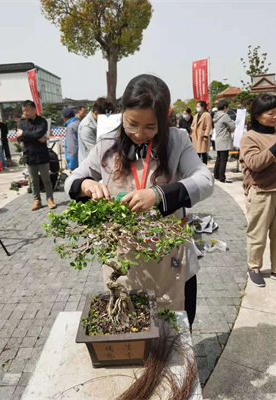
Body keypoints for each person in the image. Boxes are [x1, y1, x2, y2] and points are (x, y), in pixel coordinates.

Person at [65, 74, 214, 327]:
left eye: (150, 127)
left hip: (170, 255)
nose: (138, 134)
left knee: (174, 326)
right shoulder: (107, 144)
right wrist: (86, 185)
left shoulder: (177, 140)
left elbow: (205, 180)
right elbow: (74, 179)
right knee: (130, 320)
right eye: (132, 124)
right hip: (124, 255)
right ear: (122, 112)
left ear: (165, 119)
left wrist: (158, 194)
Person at [239, 94, 276, 287]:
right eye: (270, 113)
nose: (274, 116)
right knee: (258, 233)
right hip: (262, 191)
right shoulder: (250, 138)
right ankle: (254, 267)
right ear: (257, 115)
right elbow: (255, 163)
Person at [17, 100, 56, 211]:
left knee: (46, 179)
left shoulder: (42, 121)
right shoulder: (21, 123)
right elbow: (19, 138)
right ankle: (37, 200)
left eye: (27, 110)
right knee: (33, 180)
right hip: (29, 155)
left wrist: (24, 133)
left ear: (34, 109)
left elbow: (39, 133)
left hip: (42, 154)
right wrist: (36, 137)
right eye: (23, 110)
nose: (25, 112)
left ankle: (50, 199)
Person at [78, 97, 115, 164]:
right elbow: (95, 151)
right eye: (105, 116)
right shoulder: (86, 127)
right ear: (96, 113)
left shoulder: (98, 121)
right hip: (90, 168)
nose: (107, 119)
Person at [213, 101, 235, 183]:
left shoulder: (216, 115)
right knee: (223, 160)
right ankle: (222, 177)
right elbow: (232, 127)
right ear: (225, 107)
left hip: (218, 139)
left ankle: (216, 174)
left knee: (218, 159)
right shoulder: (225, 116)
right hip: (224, 140)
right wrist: (229, 129)